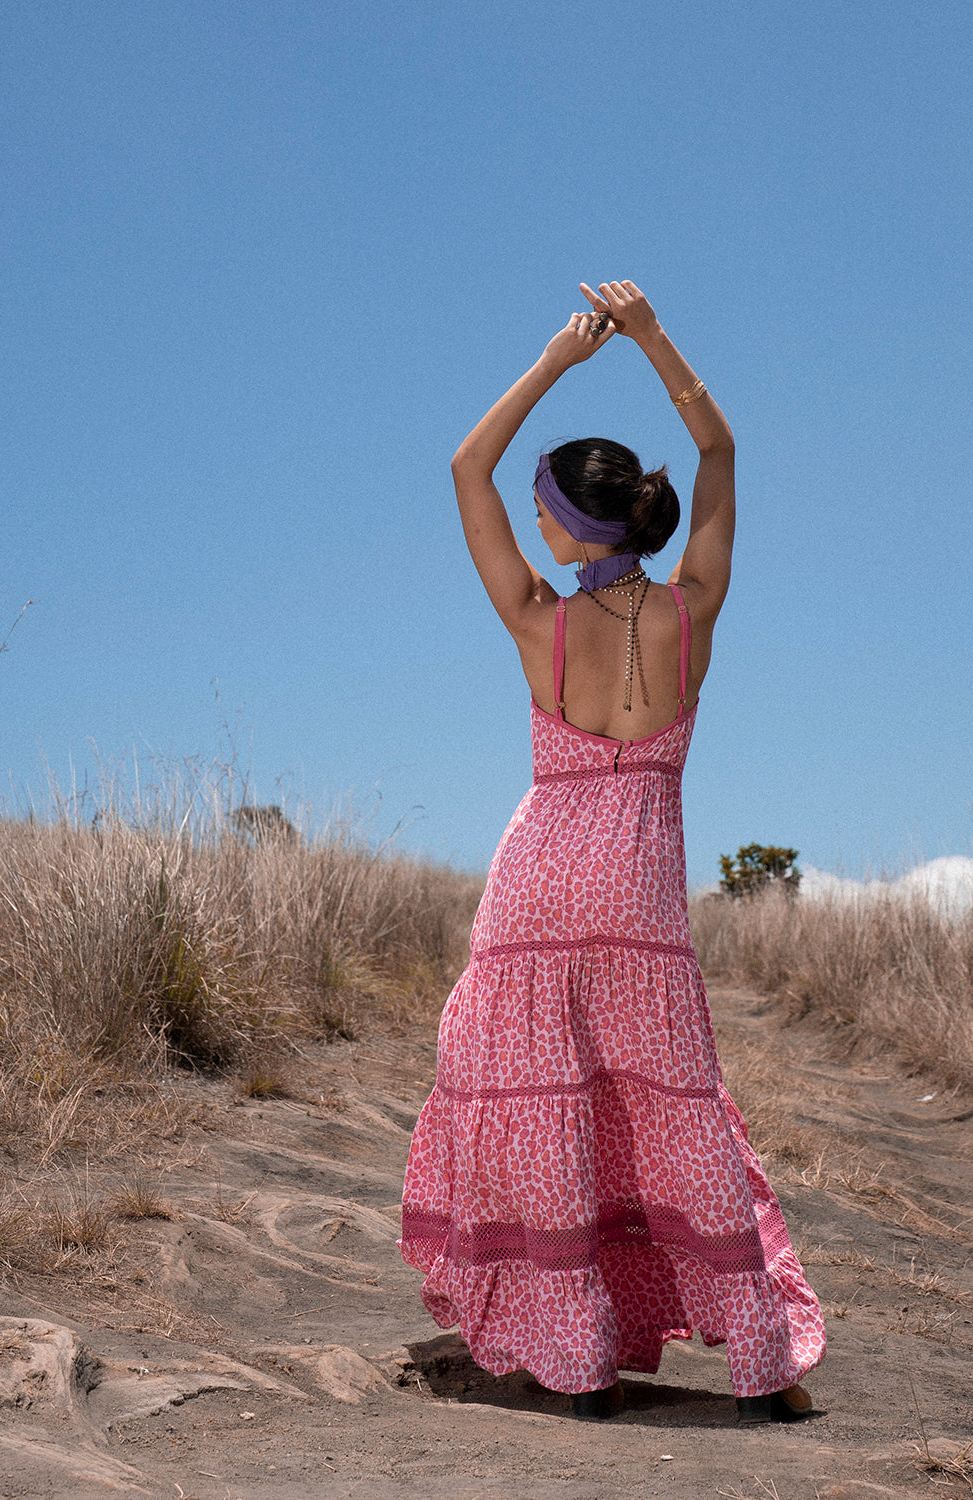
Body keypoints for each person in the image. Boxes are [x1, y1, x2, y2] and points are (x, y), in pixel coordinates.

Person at [398, 280, 825, 1423]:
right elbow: (721, 448)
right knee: (675, 1113)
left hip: (539, 885)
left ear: (567, 525)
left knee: (542, 1111)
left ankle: (575, 1362)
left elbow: (461, 469)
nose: (535, 523)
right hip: (638, 893)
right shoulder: (694, 606)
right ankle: (759, 1371)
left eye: (544, 510)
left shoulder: (541, 622)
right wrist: (648, 339)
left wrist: (553, 361)